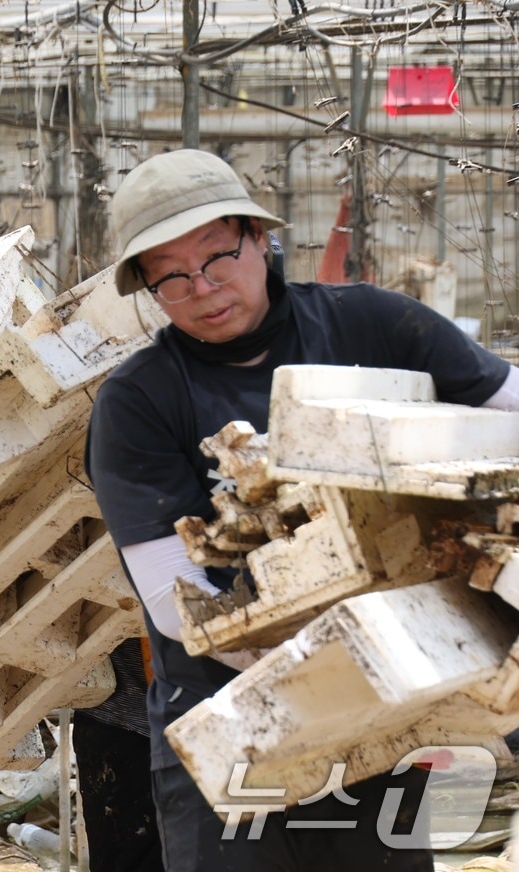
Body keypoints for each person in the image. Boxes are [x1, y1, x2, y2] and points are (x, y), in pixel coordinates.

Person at [86, 148, 519, 871]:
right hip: (239, 727)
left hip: (388, 714)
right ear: (151, 289)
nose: (202, 286)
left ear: (260, 238)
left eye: (218, 255)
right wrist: (331, 662)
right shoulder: (138, 401)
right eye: (171, 276)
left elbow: (506, 411)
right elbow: (174, 600)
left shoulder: (378, 327)